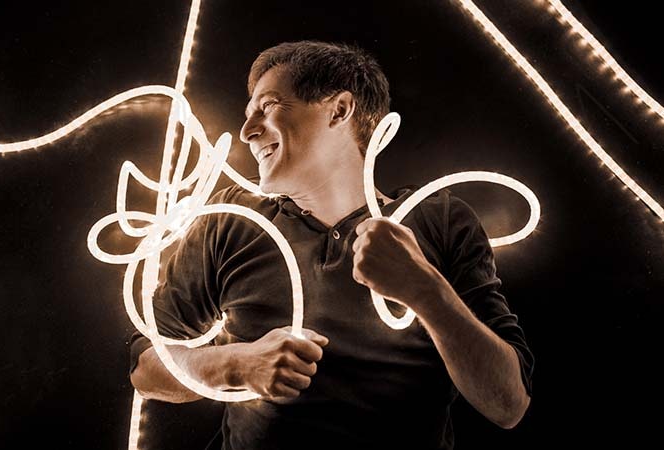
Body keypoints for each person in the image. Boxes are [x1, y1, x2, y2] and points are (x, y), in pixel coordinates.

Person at [129, 40, 533, 450]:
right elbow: (145, 368)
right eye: (248, 114)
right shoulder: (231, 216)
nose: (247, 132)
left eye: (268, 106)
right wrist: (234, 366)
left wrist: (426, 292)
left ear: (339, 110)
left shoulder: (439, 221)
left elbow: (508, 404)